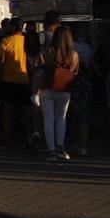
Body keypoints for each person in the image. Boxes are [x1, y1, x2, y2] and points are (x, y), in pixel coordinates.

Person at [37, 26, 79, 161]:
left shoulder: (46, 52)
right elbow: (75, 72)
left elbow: (38, 70)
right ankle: (60, 148)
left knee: (48, 119)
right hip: (64, 89)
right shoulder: (74, 55)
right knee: (61, 118)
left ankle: (51, 151)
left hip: (46, 88)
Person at [0, 19, 29, 149]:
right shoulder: (27, 41)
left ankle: (7, 140)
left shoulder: (5, 42)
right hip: (26, 80)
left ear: (12, 27)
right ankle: (29, 138)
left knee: (8, 112)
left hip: (9, 80)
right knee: (26, 111)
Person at [68, 27, 95, 157]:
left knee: (74, 116)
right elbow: (90, 62)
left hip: (74, 82)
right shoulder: (87, 47)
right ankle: (83, 146)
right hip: (87, 81)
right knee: (84, 116)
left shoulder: (71, 48)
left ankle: (77, 144)